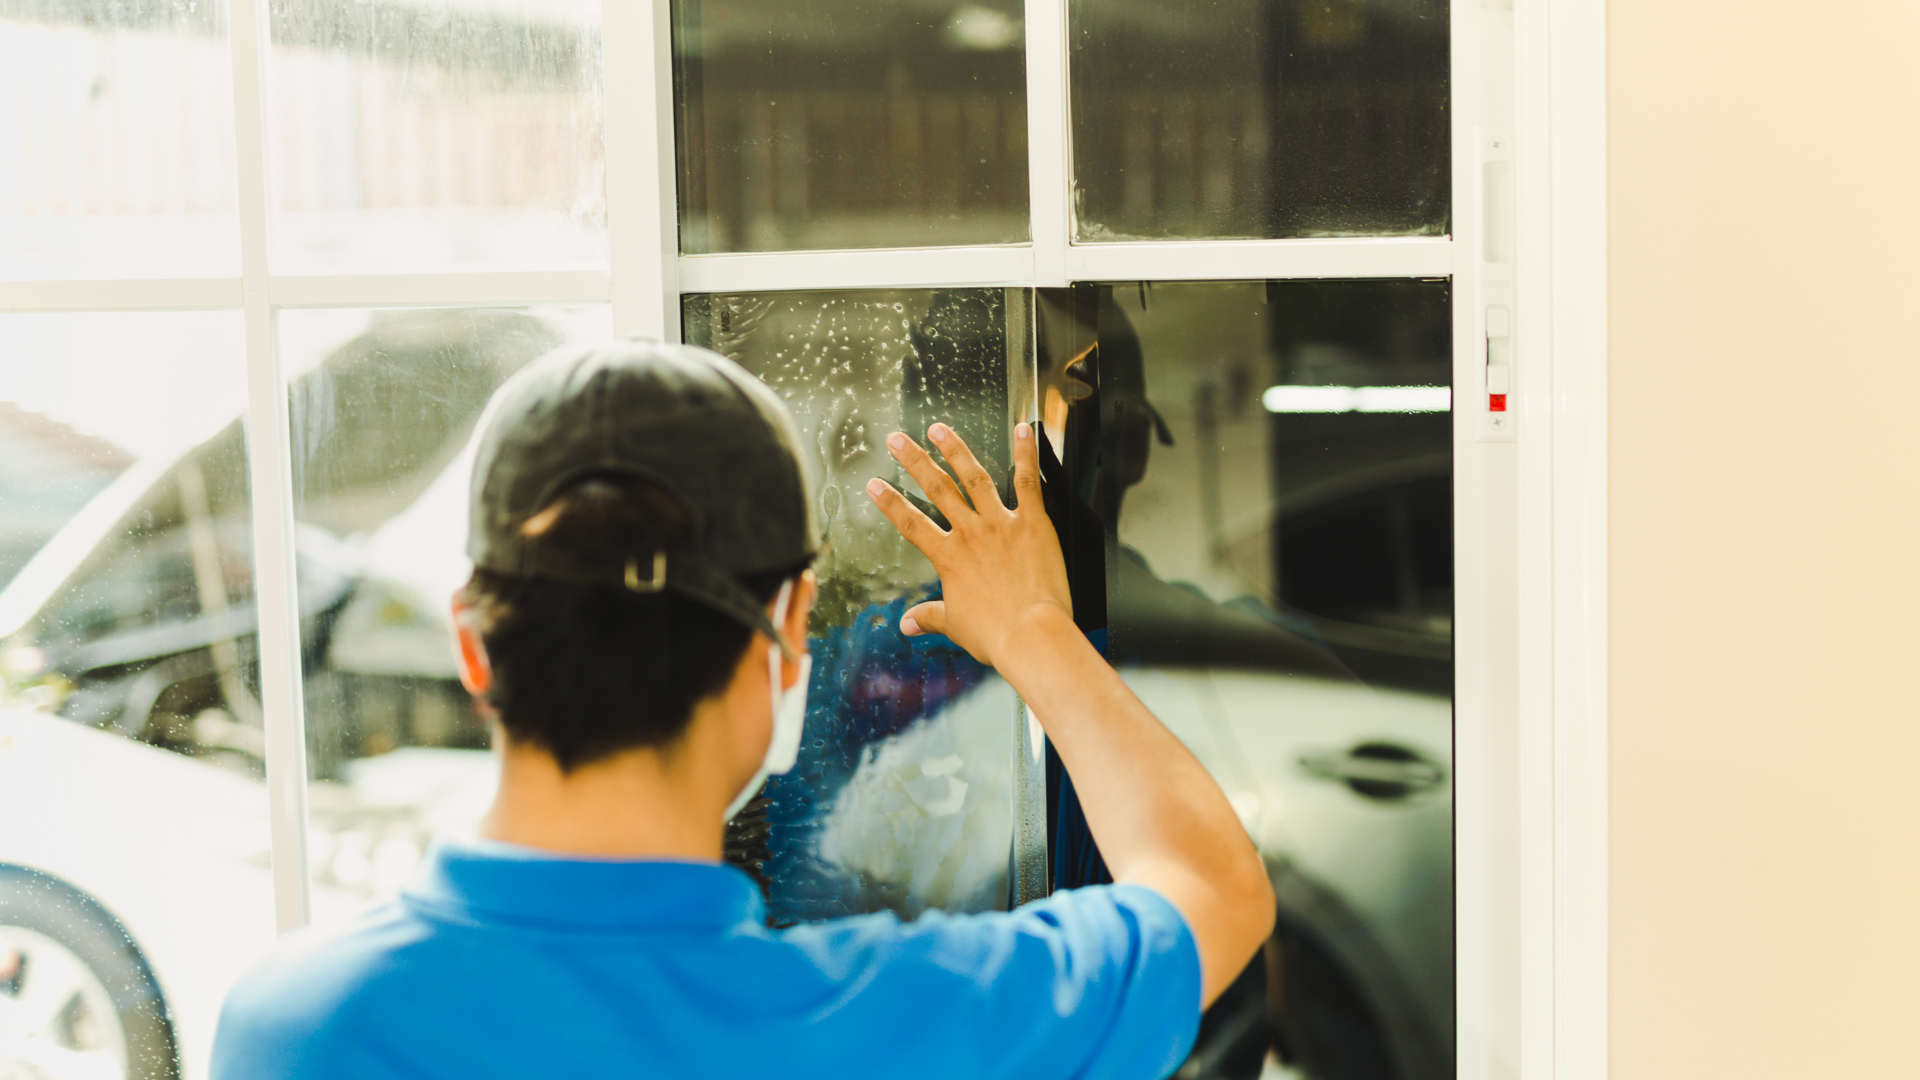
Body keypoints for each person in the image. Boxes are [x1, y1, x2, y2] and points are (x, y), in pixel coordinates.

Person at [210, 337, 1275, 1079]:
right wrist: (1037, 629)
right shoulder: (897, 1023)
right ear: (786, 637)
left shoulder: (295, 1031)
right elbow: (1211, 888)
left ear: (474, 645)